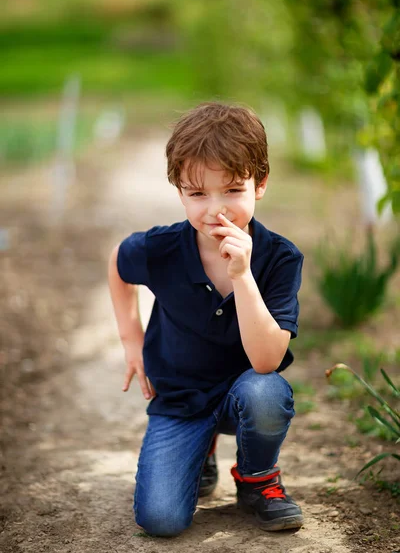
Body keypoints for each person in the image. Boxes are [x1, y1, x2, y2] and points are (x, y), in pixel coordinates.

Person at [108, 102, 304, 537]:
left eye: (233, 190)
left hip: (245, 393)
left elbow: (268, 359)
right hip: (182, 397)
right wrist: (131, 339)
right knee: (160, 519)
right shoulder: (161, 249)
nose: (216, 210)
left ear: (261, 184)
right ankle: (202, 447)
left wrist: (242, 276)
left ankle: (258, 480)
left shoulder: (280, 258)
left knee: (266, 393)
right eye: (197, 194)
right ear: (179, 191)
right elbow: (119, 264)